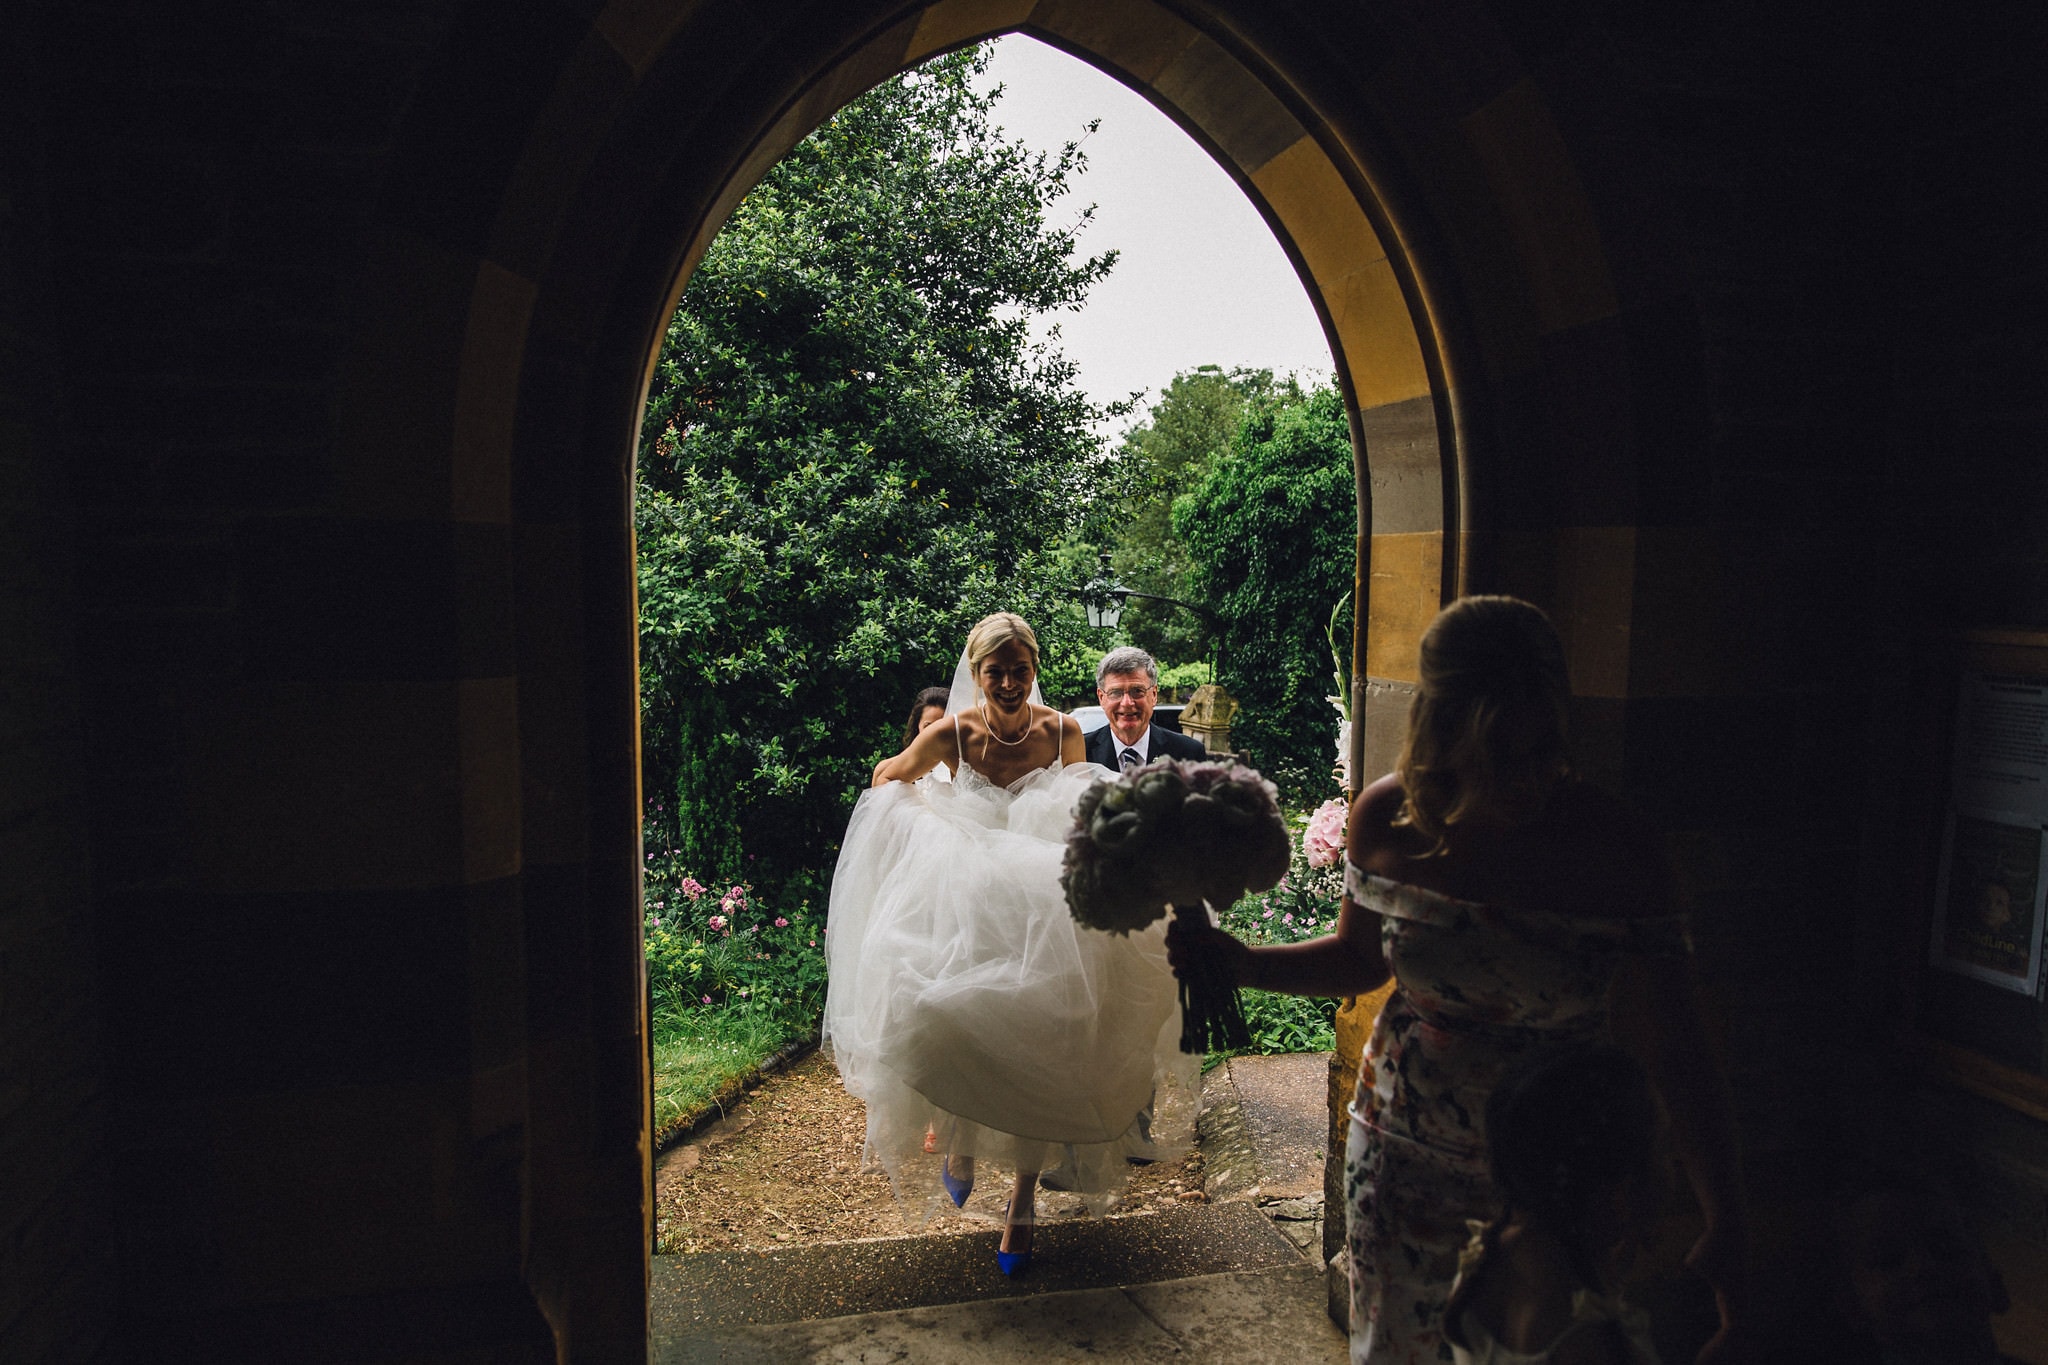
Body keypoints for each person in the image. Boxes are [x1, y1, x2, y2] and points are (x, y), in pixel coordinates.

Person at [1166, 596, 1747, 1364]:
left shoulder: (1619, 848)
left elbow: (1673, 1038)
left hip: (1558, 1165)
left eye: (1546, 751)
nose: (1531, 779)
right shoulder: (1388, 820)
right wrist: (1238, 962)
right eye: (1503, 756)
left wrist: (1725, 1212)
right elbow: (1359, 959)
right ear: (1444, 728)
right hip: (1405, 1145)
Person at [825, 612, 1196, 1275]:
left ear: (1034, 670)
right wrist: (933, 829)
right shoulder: (954, 732)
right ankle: (959, 1142)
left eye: (1018, 669)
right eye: (994, 671)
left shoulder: (1062, 731)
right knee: (942, 1013)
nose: (1006, 682)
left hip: (1042, 909)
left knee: (1052, 1038)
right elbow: (888, 777)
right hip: (966, 901)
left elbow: (1083, 813)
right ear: (976, 674)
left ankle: (1022, 1199)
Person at [1442, 1043, 1667, 1365]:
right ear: (1620, 1185)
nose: (1670, 1166)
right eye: (1662, 1146)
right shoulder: (1589, 1343)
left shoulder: (1484, 1261)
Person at [1086, 645, 1208, 772]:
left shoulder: (1188, 753)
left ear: (1154, 695)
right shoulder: (1080, 752)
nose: (1127, 703)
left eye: (1137, 691)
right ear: (1101, 698)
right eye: (1115, 692)